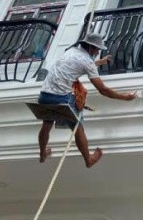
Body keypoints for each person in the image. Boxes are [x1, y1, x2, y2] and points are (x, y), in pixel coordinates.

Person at [37, 32, 136, 168]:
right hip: (60, 98)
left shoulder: (71, 51)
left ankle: (42, 153)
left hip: (45, 95)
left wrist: (99, 62)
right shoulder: (87, 62)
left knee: (46, 125)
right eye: (97, 50)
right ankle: (88, 160)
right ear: (91, 47)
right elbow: (103, 90)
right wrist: (125, 97)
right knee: (78, 128)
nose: (97, 52)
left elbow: (77, 65)